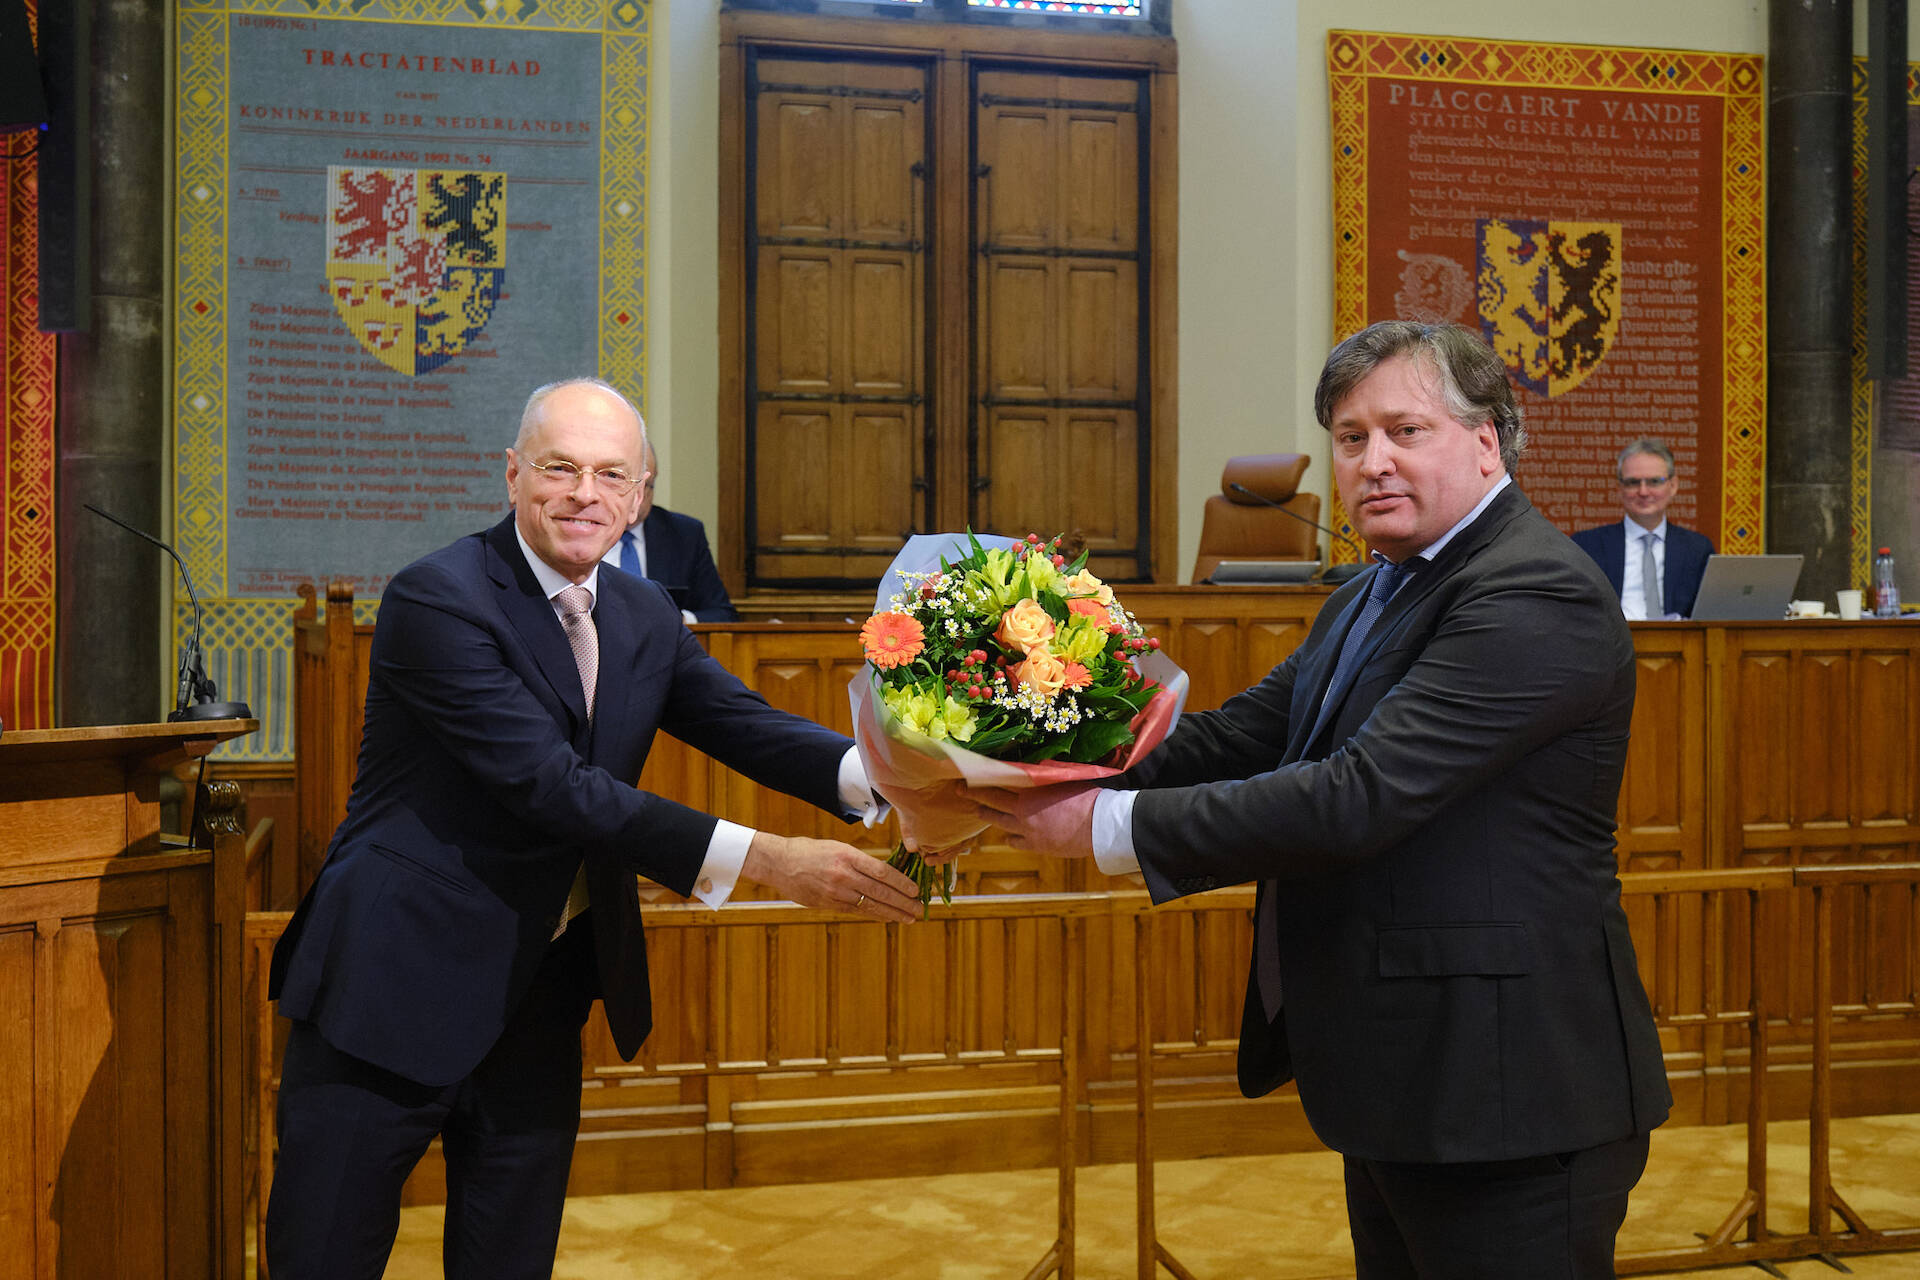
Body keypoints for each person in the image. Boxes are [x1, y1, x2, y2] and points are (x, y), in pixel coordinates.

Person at [973, 322, 1671, 1279]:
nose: (1373, 462)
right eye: (1350, 438)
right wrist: (1041, 754)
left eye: (1404, 431)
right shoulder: (1368, 591)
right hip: (1402, 1075)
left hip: (1507, 1088)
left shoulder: (1531, 588)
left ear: (1486, 441)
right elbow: (1242, 734)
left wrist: (1097, 826)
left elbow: (1359, 797)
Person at [265, 377, 920, 1280]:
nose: (586, 495)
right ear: (512, 475)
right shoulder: (438, 598)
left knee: (511, 1262)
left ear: (641, 495)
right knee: (324, 1259)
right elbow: (552, 786)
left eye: (612, 475)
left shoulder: (642, 610)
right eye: (561, 469)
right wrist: (768, 859)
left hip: (543, 987)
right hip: (392, 984)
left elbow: (744, 722)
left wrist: (901, 779)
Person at [1570, 437, 1715, 619]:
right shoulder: (1587, 546)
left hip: (1679, 644)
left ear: (1673, 486)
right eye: (1633, 482)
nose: (1644, 492)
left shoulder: (1697, 549)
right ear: (1619, 488)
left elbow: (1705, 616)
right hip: (1613, 645)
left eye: (1654, 481)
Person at [601, 439, 741, 622]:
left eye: (647, 486)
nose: (637, 497)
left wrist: (679, 621)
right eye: (628, 484)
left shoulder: (685, 535)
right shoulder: (582, 528)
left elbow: (722, 614)